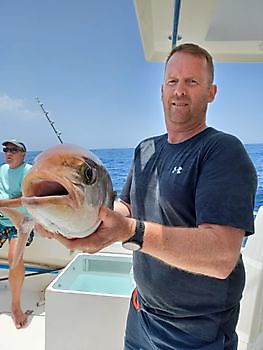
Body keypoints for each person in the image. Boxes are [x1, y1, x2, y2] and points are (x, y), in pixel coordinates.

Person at [36, 43, 257, 349]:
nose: (179, 91)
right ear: (162, 90)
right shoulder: (145, 149)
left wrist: (129, 232)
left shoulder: (221, 152)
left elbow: (221, 256)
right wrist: (83, 218)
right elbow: (125, 206)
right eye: (173, 81)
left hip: (194, 333)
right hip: (141, 313)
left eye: (192, 82)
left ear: (211, 92)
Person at [0, 140, 34, 329]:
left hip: (23, 223)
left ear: (23, 154)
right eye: (6, 149)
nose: (8, 152)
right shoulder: (2, 170)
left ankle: (15, 306)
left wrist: (2, 204)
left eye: (14, 149)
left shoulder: (30, 171)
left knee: (14, 259)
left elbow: (26, 199)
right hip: (2, 219)